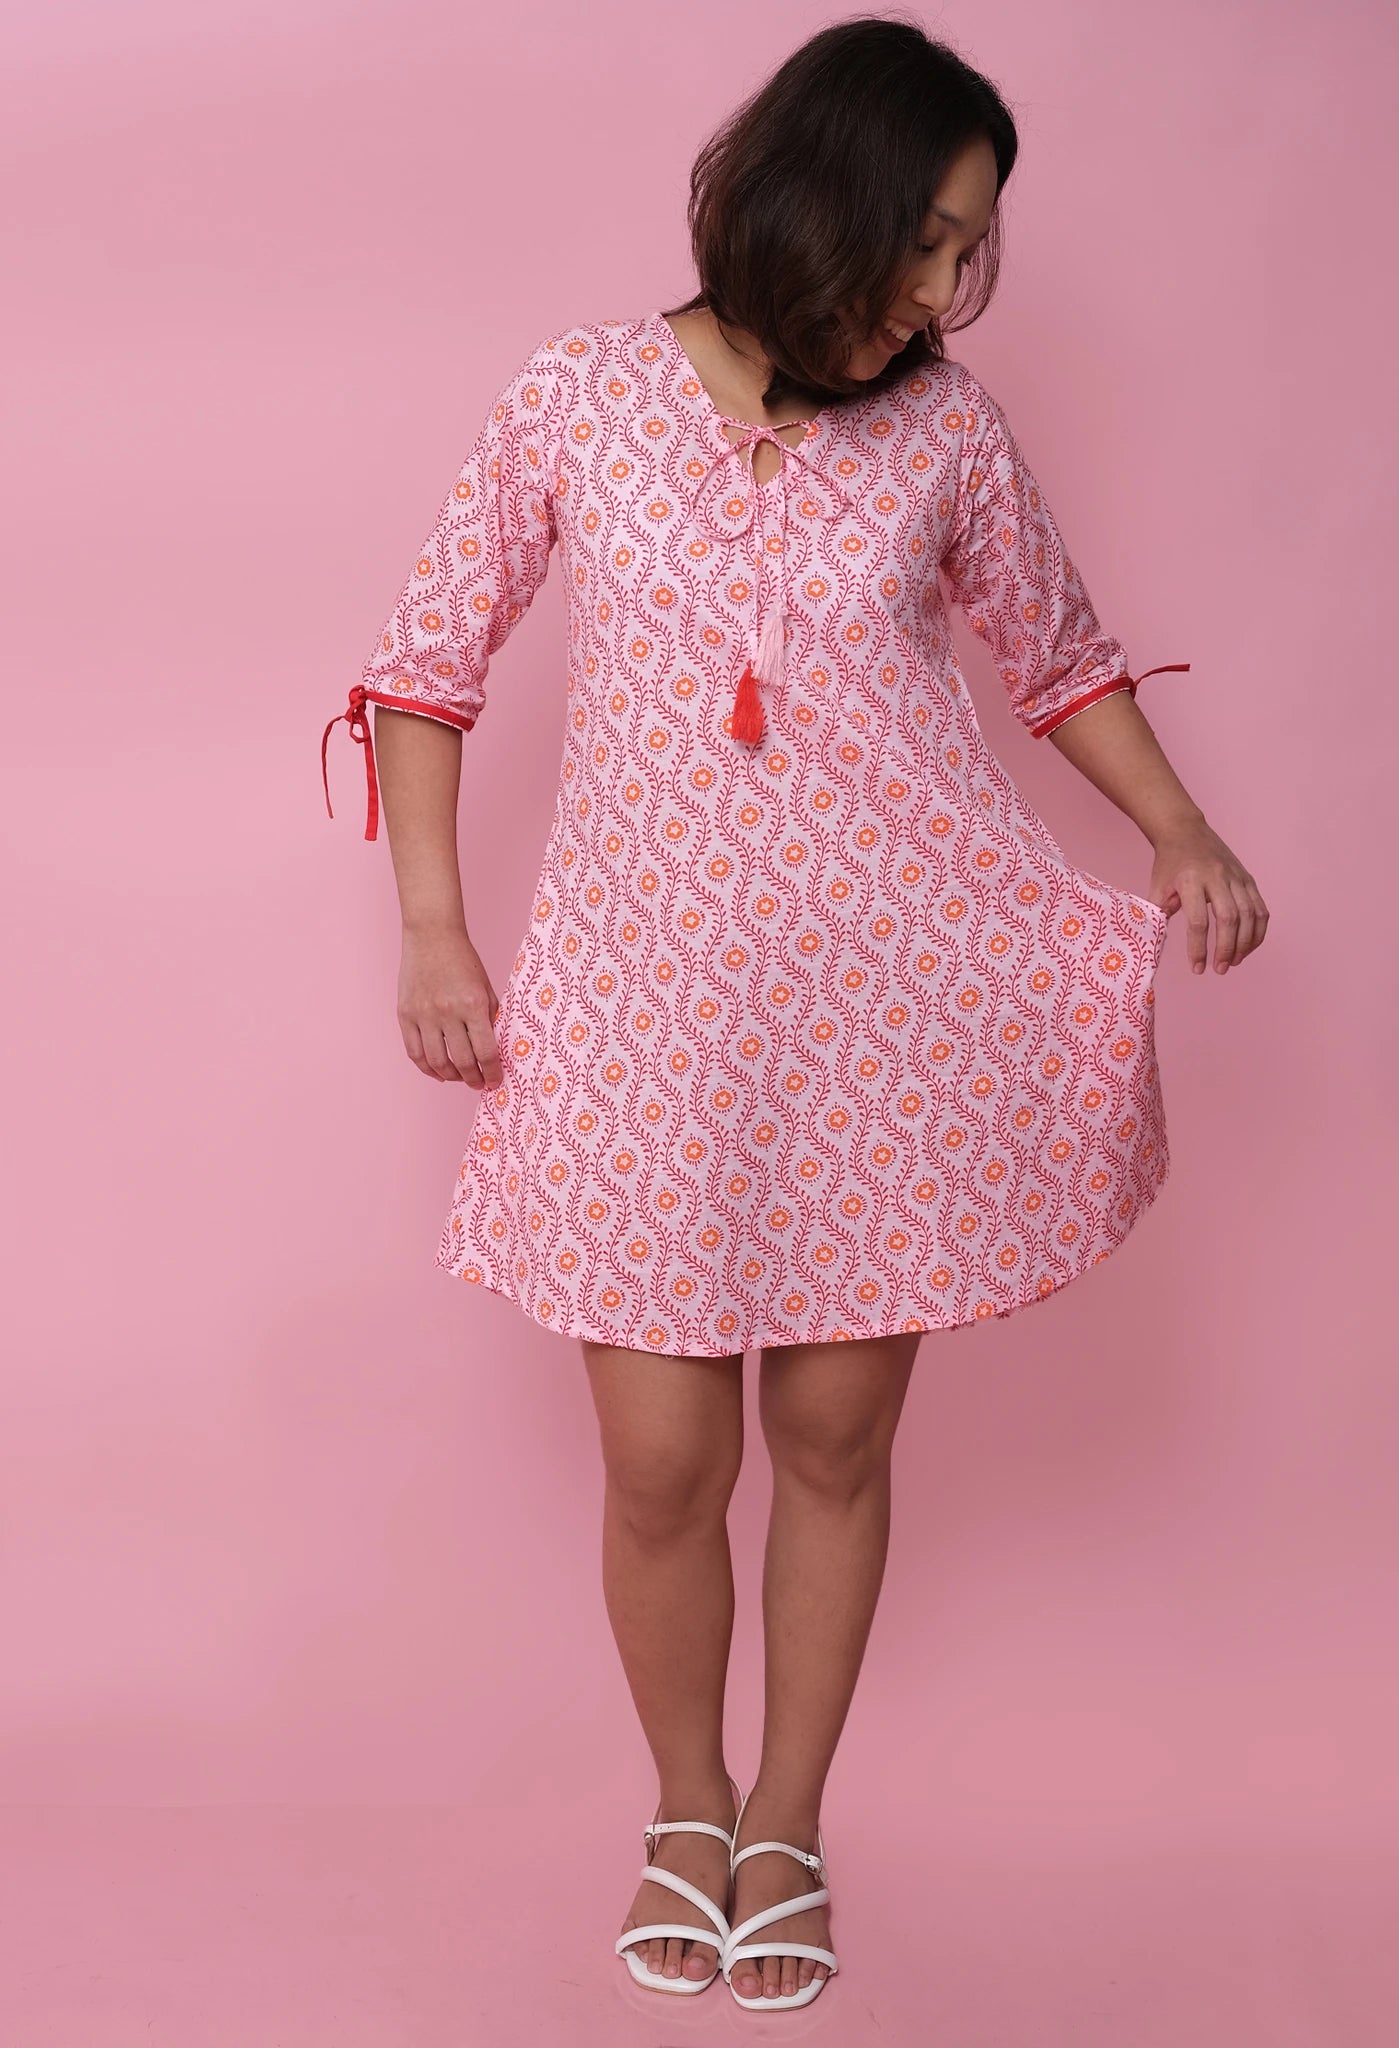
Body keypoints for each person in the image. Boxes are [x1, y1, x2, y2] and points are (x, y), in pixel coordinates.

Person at [320, 15, 1267, 2012]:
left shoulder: (953, 432)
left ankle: (789, 1821)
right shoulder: (577, 393)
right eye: (922, 239)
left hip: (889, 1010)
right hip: (638, 1016)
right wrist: (431, 925)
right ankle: (686, 1803)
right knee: (663, 1466)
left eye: (969, 255)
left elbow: (1059, 654)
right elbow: (423, 663)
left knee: (833, 1441)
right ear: (806, 194)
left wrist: (1183, 835)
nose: (943, 291)